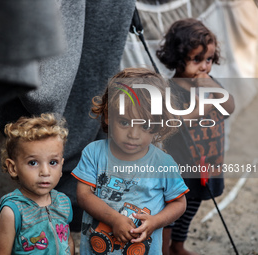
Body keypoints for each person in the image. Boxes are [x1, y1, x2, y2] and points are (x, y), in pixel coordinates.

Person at [71, 68, 189, 255]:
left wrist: (155, 221)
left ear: (158, 124)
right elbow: (84, 195)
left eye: (145, 125)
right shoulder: (93, 153)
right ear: (108, 115)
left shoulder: (163, 163)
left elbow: (179, 203)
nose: (134, 135)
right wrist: (114, 220)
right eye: (125, 122)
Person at [156, 18, 235, 255]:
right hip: (179, 167)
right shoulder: (170, 89)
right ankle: (164, 250)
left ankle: (178, 245)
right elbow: (173, 123)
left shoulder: (210, 84)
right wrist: (200, 108)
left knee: (192, 207)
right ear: (179, 59)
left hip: (206, 161)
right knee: (171, 212)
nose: (204, 67)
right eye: (197, 60)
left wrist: (214, 90)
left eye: (209, 59)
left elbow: (229, 107)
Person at [0, 113, 75, 255]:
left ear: (61, 166)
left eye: (53, 162)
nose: (45, 172)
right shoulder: (12, 211)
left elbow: (68, 241)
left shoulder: (63, 202)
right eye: (33, 163)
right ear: (13, 168)